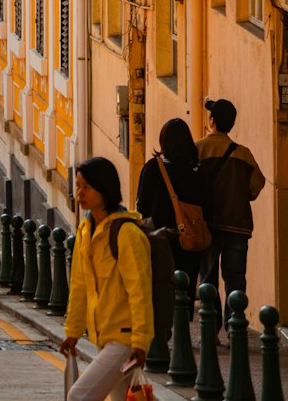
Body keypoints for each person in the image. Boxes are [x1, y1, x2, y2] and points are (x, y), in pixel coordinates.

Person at [61, 157, 154, 401]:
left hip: (125, 340)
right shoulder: (85, 230)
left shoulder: (126, 234)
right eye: (78, 186)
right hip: (106, 337)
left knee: (78, 396)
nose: (79, 193)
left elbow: (140, 292)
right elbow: (80, 286)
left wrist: (140, 342)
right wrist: (73, 331)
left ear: (104, 189)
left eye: (86, 187)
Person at [197, 97, 265, 326]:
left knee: (207, 279)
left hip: (207, 226)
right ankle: (234, 325)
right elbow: (256, 187)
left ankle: (210, 327)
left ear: (211, 121)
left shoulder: (198, 150)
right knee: (235, 279)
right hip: (238, 226)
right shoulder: (243, 154)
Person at [136, 117, 208, 314]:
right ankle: (183, 332)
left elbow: (142, 204)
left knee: (161, 284)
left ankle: (164, 330)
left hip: (159, 236)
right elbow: (206, 202)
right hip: (189, 237)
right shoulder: (198, 170)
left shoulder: (153, 167)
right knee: (186, 286)